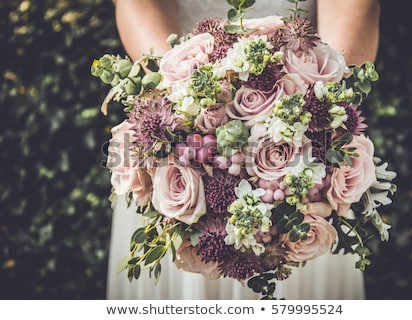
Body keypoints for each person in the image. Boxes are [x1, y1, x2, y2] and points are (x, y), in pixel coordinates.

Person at [106, 0, 381, 299]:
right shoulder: (177, 130)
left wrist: (323, 104)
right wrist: (181, 100)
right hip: (176, 148)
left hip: (311, 162)